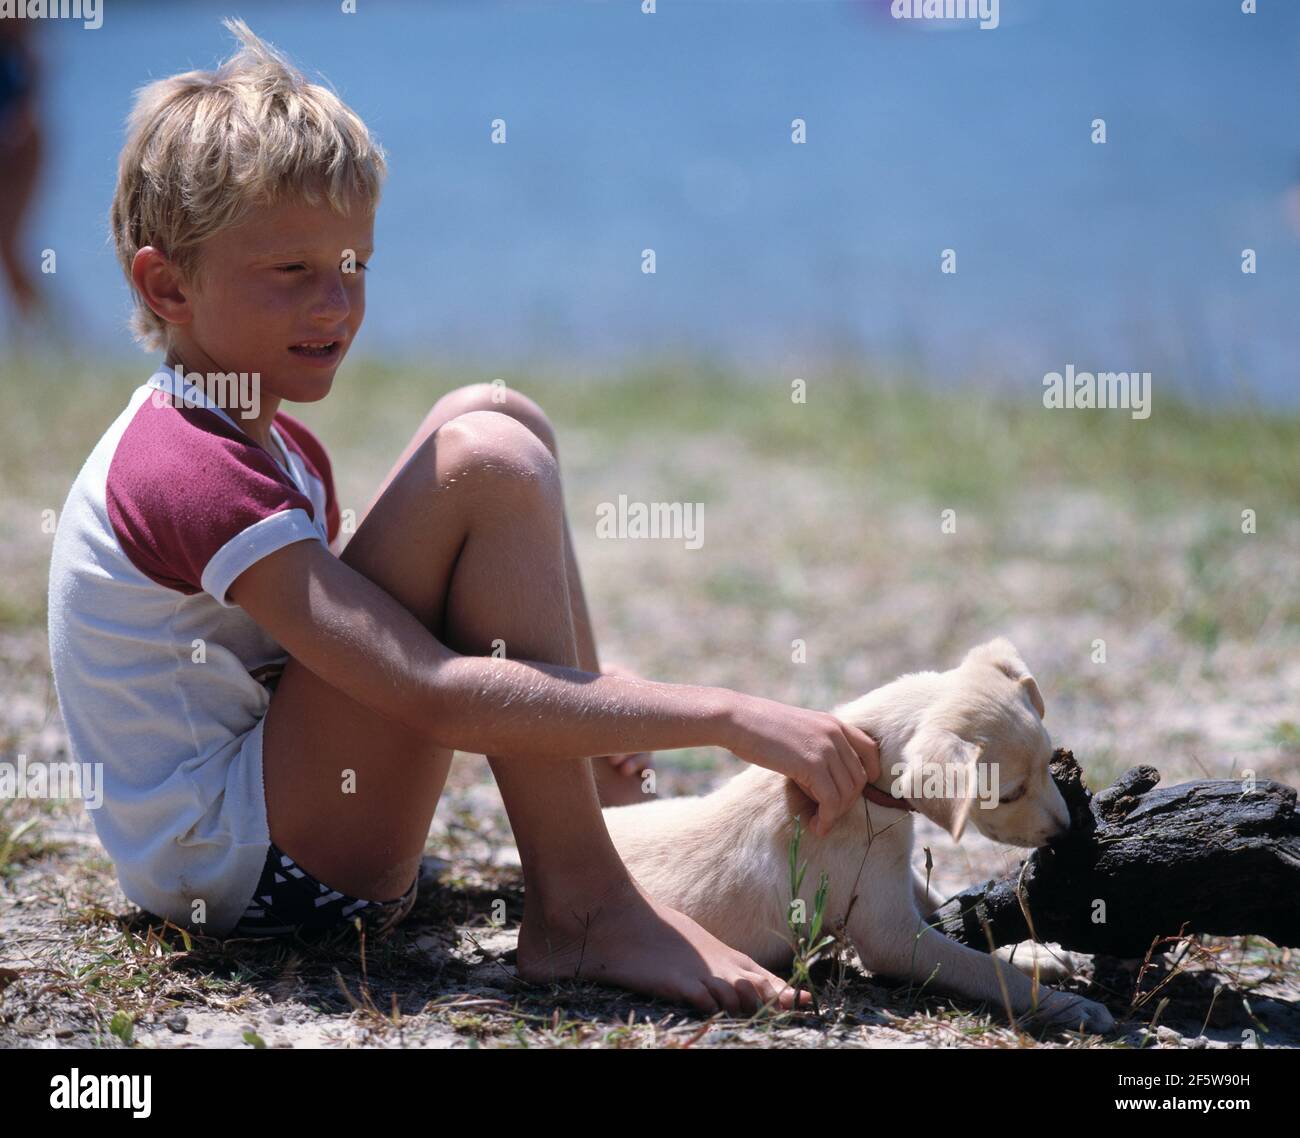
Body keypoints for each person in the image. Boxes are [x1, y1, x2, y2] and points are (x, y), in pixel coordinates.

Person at [47, 18, 879, 1016]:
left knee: (492, 415)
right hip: (244, 878)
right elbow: (430, 692)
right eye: (292, 273)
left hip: (274, 816)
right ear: (166, 283)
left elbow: (389, 645)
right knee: (484, 462)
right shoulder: (187, 466)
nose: (337, 304)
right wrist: (728, 714)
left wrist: (590, 694)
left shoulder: (270, 438)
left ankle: (605, 833)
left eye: (354, 264)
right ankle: (583, 903)